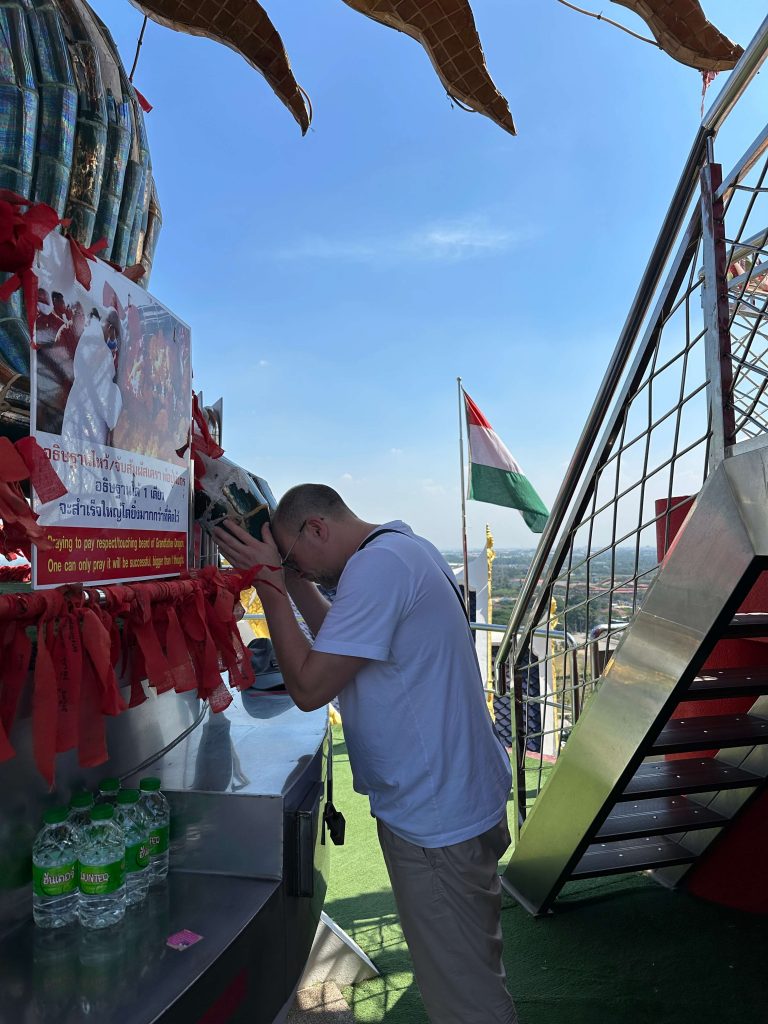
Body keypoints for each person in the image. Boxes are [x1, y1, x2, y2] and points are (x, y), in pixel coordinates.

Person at [214, 484, 517, 1024]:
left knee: (464, 997)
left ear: (317, 530)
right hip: (458, 799)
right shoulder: (398, 547)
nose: (298, 570)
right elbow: (341, 635)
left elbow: (309, 689)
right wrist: (288, 577)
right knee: (470, 964)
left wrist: (271, 589)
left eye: (294, 557)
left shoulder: (377, 570)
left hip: (436, 818)